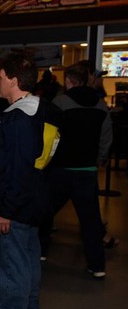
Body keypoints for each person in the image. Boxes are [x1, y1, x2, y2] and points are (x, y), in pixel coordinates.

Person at [0, 52, 58, 309]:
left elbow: (19, 170)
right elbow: (27, 157)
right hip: (33, 202)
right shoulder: (42, 110)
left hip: (14, 206)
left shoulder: (17, 119)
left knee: (12, 265)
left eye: (0, 77)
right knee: (28, 260)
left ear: (12, 80)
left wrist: (5, 210)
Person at [38, 62, 114, 278]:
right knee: (90, 221)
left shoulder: (59, 102)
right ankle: (97, 266)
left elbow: (49, 135)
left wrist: (46, 162)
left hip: (60, 170)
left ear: (69, 80)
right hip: (87, 171)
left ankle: (41, 252)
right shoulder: (101, 105)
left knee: (45, 212)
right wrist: (99, 159)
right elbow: (106, 137)